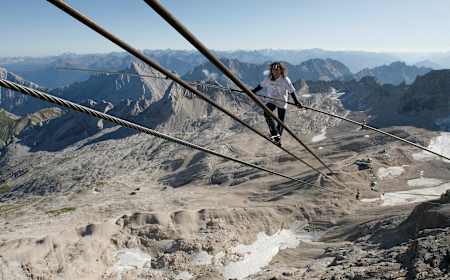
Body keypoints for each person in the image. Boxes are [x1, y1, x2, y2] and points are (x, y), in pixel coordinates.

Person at [252, 62, 303, 146]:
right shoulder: (268, 79)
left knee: (280, 121)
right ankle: (275, 134)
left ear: (281, 70)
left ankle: (278, 139)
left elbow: (292, 91)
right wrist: (252, 92)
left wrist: (297, 102)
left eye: (277, 70)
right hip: (271, 100)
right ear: (271, 71)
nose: (275, 71)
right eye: (273, 70)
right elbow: (261, 86)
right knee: (267, 113)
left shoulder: (285, 80)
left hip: (282, 101)